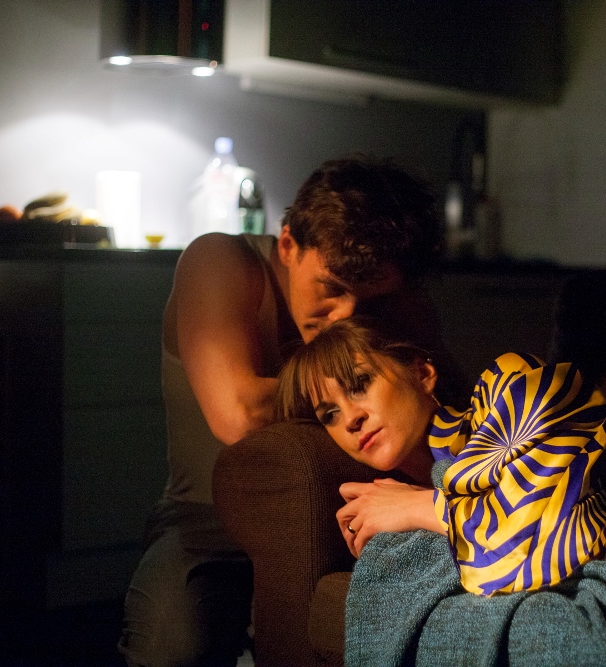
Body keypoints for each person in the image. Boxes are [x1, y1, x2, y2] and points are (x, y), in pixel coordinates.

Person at [119, 156, 465, 667]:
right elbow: (237, 414)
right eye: (331, 288)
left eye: (369, 300)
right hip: (206, 522)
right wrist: (360, 384)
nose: (346, 316)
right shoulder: (223, 262)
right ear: (287, 245)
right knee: (172, 646)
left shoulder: (395, 300)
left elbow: (452, 406)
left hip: (352, 511)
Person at [276, 317, 606, 597]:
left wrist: (423, 507)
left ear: (422, 374)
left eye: (359, 384)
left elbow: (554, 532)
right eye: (329, 414)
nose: (350, 418)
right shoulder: (391, 500)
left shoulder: (508, 383)